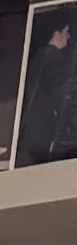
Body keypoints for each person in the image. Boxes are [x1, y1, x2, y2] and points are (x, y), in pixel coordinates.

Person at [20, 10, 77, 166]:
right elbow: (59, 88)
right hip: (46, 133)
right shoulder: (54, 57)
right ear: (56, 34)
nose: (68, 36)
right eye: (66, 32)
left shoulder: (40, 56)